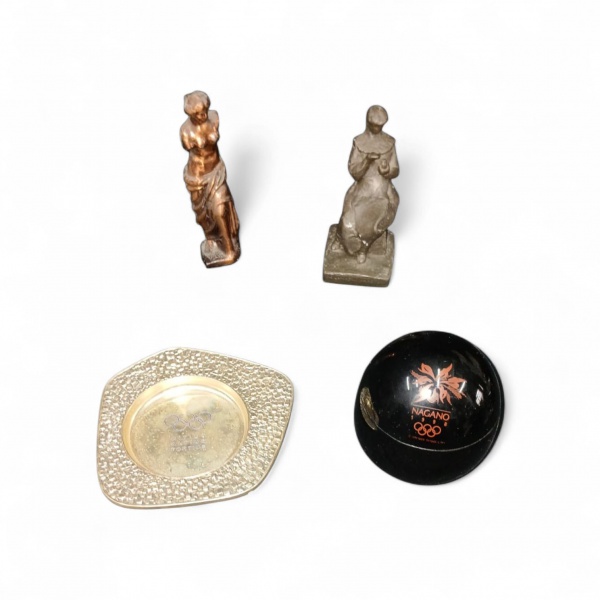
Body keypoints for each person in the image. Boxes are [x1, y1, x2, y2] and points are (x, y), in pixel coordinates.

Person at [180, 91, 241, 267]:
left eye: (205, 110)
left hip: (216, 171)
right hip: (197, 178)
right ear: (191, 114)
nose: (204, 115)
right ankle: (214, 239)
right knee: (204, 216)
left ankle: (229, 250)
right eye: (199, 113)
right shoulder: (185, 132)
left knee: (220, 209)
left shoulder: (214, 118)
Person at [337, 105, 399, 263]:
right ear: (368, 123)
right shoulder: (359, 142)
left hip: (382, 192)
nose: (378, 128)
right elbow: (354, 172)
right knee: (347, 222)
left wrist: (387, 170)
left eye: (381, 126)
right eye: (375, 125)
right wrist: (366, 160)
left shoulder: (389, 142)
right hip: (362, 190)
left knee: (375, 218)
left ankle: (363, 248)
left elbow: (395, 169)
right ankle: (351, 244)